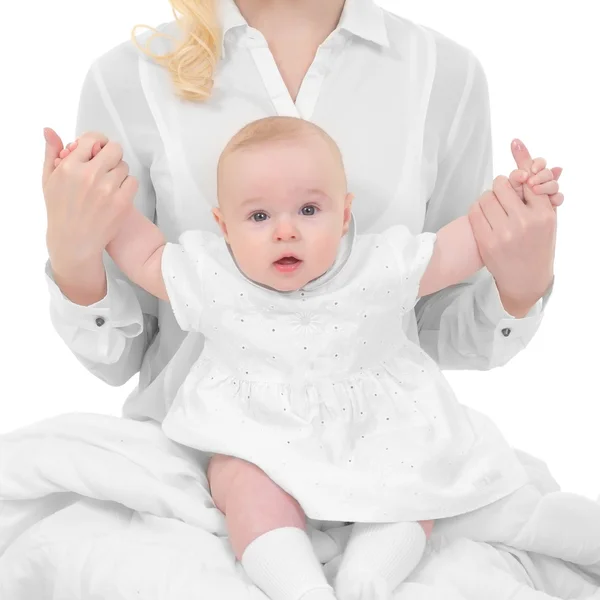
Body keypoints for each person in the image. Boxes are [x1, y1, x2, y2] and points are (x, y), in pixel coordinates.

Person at [55, 114, 560, 600]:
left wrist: (517, 197)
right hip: (257, 433)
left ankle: (373, 576)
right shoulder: (213, 276)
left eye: (309, 210)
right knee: (239, 481)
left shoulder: (378, 264)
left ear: (344, 215)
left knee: (417, 480)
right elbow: (146, 257)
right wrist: (93, 201)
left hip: (379, 427)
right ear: (224, 226)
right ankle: (301, 587)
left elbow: (459, 246)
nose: (285, 230)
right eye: (258, 216)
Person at [41, 0, 563, 430]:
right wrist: (73, 254)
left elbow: (436, 319)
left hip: (386, 457)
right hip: (199, 469)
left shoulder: (445, 75)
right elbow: (121, 355)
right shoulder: (129, 77)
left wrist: (520, 283)